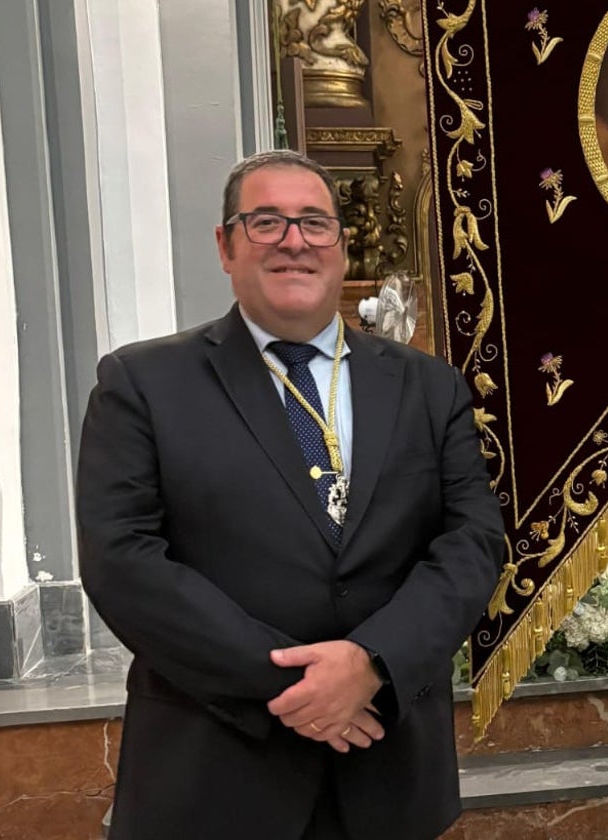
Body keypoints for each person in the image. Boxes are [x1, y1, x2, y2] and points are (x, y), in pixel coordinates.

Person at [75, 149, 505, 839]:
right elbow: (122, 561)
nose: (294, 241)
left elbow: (473, 541)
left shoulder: (428, 388)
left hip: (385, 769)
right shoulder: (143, 384)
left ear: (340, 242)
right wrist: (297, 688)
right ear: (225, 244)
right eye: (265, 222)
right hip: (214, 774)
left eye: (313, 222)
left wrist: (371, 664)